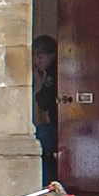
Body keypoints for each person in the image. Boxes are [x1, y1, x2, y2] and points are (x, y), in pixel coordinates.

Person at [31, 34, 60, 183]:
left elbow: (43, 101)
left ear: (52, 55)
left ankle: (48, 181)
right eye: (35, 57)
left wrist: (38, 82)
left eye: (40, 57)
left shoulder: (54, 73)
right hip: (57, 125)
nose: (37, 61)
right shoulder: (51, 71)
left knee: (37, 141)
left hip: (62, 129)